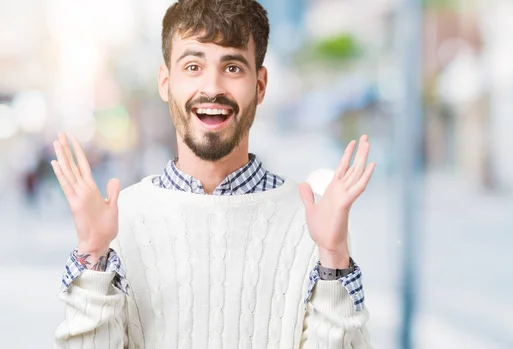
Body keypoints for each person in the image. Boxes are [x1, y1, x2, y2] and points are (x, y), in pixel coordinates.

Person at [51, 0, 375, 347]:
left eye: (233, 67)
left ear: (261, 85)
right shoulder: (117, 220)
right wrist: (94, 253)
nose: (212, 88)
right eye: (193, 65)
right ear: (165, 82)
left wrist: (334, 258)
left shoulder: (312, 221)